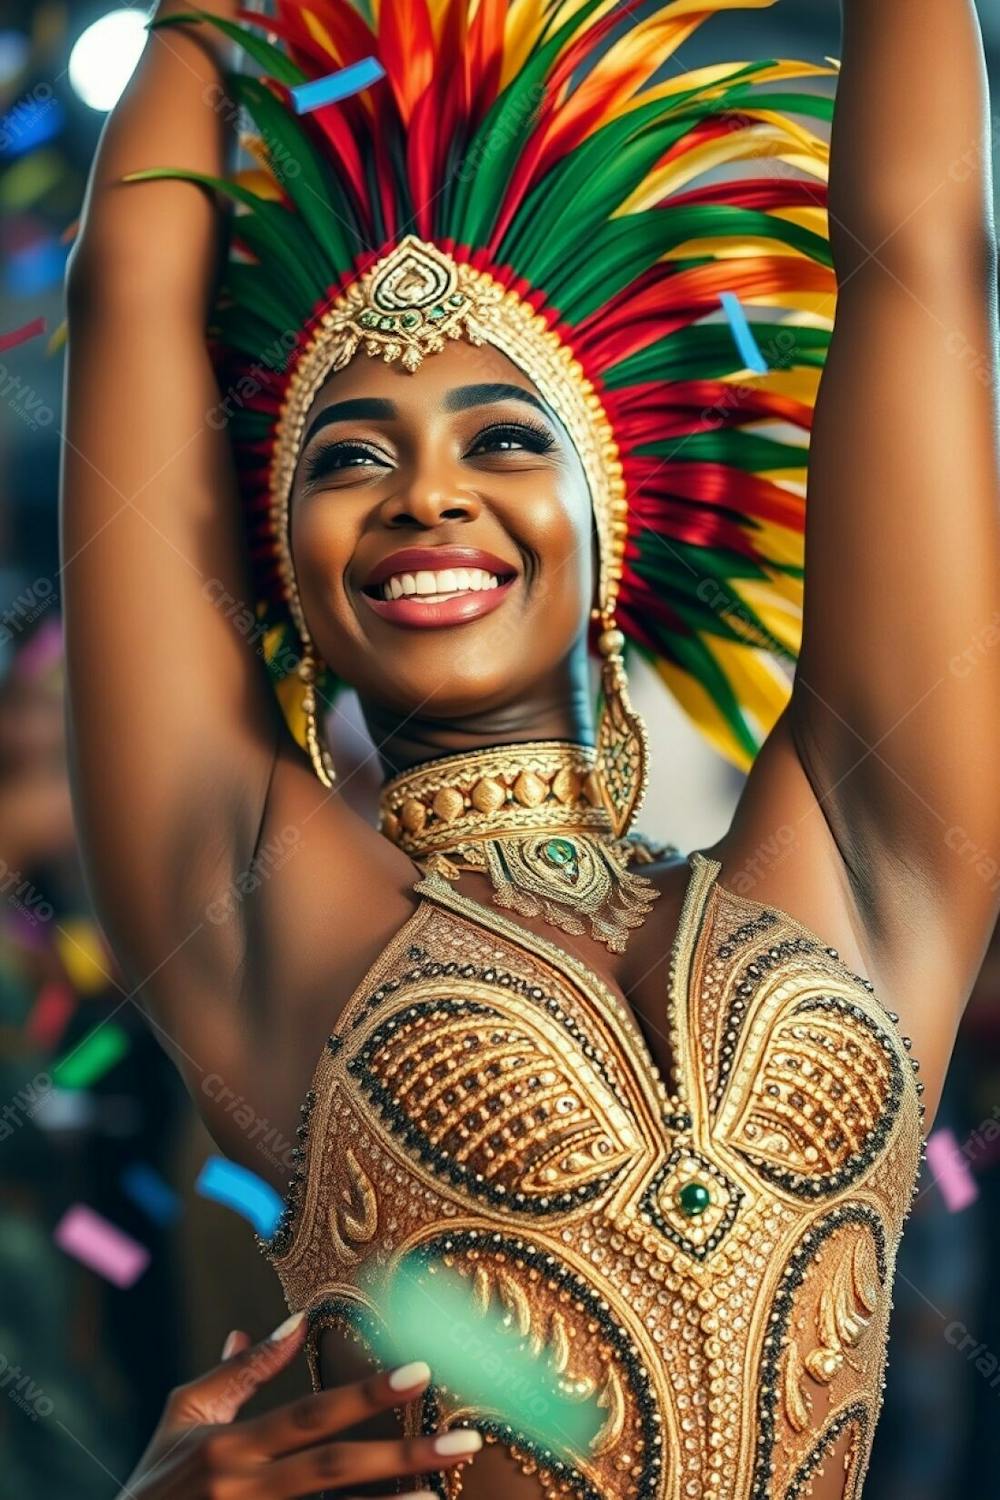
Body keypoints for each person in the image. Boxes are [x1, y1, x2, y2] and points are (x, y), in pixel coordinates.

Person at [59, 0, 1000, 1495]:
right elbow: (131, 296)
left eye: (501, 438)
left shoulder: (861, 861)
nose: (426, 494)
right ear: (284, 569)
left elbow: (922, 252)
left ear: (610, 516)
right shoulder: (269, 923)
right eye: (350, 455)